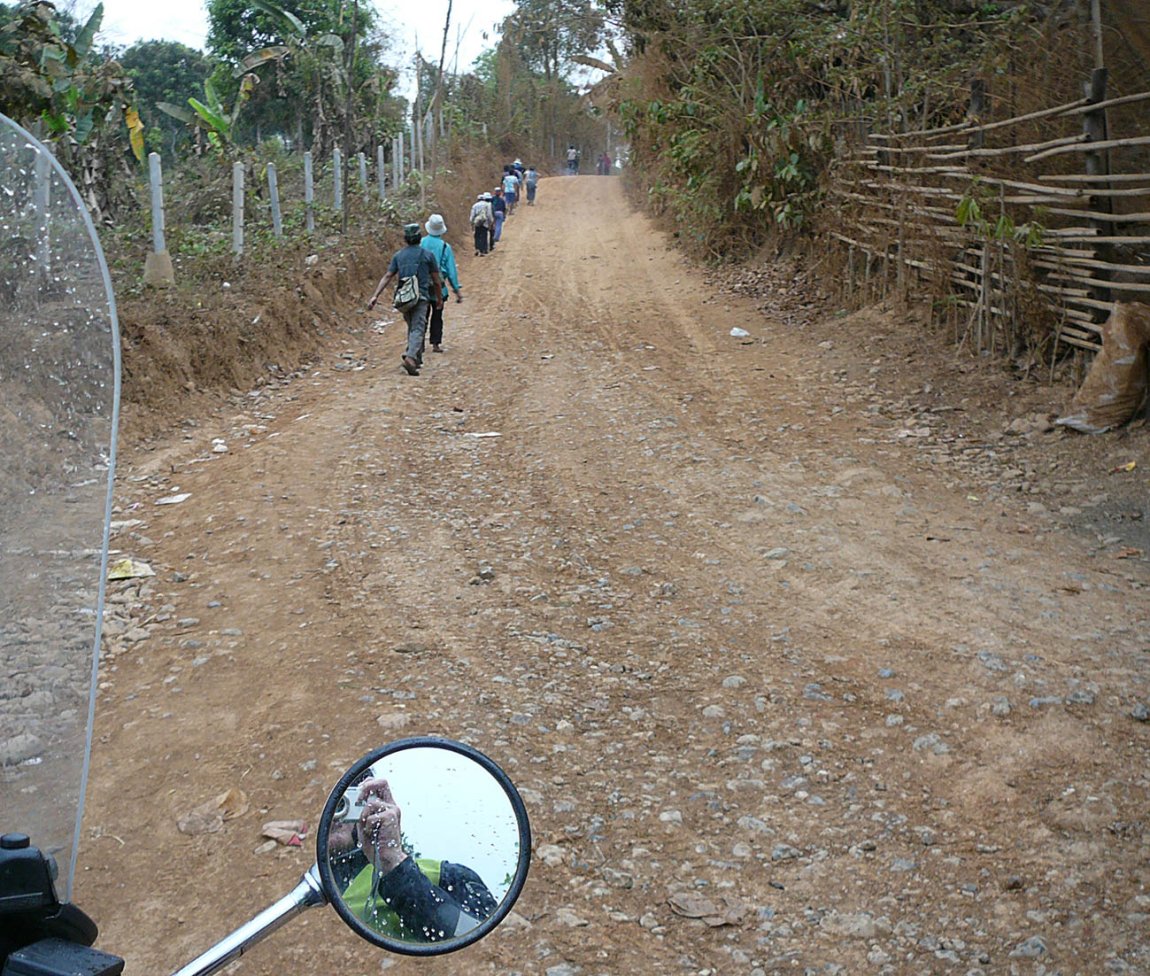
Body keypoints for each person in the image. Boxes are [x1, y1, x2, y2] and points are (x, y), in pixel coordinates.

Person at [333, 778, 498, 943]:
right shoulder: (311, 885)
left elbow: (485, 941)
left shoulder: (445, 875)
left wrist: (394, 864)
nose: (332, 813)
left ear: (366, 802)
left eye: (342, 802)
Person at [367, 223, 442, 376]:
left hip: (404, 298)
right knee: (418, 327)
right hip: (420, 296)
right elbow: (436, 280)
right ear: (420, 238)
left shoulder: (398, 256)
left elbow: (388, 276)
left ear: (405, 239)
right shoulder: (427, 255)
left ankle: (417, 358)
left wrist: (375, 295)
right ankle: (411, 356)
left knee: (412, 326)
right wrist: (439, 298)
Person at [419, 214, 462, 355]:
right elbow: (451, 271)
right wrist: (456, 290)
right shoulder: (445, 247)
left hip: (423, 285)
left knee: (422, 315)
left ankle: (419, 343)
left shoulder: (421, 243)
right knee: (437, 315)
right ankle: (436, 343)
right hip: (439, 287)